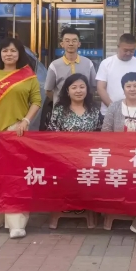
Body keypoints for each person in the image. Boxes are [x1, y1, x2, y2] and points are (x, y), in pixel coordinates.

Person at [0, 37, 42, 239]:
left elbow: (36, 101)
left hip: (17, 132)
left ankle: (16, 223)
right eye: (5, 50)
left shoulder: (28, 75)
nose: (9, 54)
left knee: (15, 178)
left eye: (13, 51)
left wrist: (26, 121)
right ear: (0, 54)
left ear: (19, 53)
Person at [102, 72, 136, 239]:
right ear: (123, 88)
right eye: (128, 86)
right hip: (118, 156)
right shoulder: (114, 107)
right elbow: (105, 133)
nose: (132, 89)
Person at [47, 73, 102, 229]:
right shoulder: (59, 110)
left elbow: (100, 134)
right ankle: (67, 202)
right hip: (64, 156)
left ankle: (85, 204)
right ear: (67, 90)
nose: (78, 91)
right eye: (74, 87)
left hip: (88, 157)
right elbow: (52, 133)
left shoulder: (94, 110)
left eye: (82, 87)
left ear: (87, 90)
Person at [96, 33, 136, 118]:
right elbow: (100, 88)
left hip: (132, 112)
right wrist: (114, 108)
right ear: (118, 47)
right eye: (125, 50)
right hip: (108, 112)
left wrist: (129, 107)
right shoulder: (106, 63)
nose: (128, 53)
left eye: (132, 51)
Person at [45, 27, 97, 106]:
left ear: (79, 44)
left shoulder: (88, 63)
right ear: (62, 44)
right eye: (67, 41)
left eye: (74, 40)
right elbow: (48, 91)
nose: (71, 44)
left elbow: (93, 87)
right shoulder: (54, 65)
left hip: (84, 108)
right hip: (62, 109)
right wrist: (59, 101)